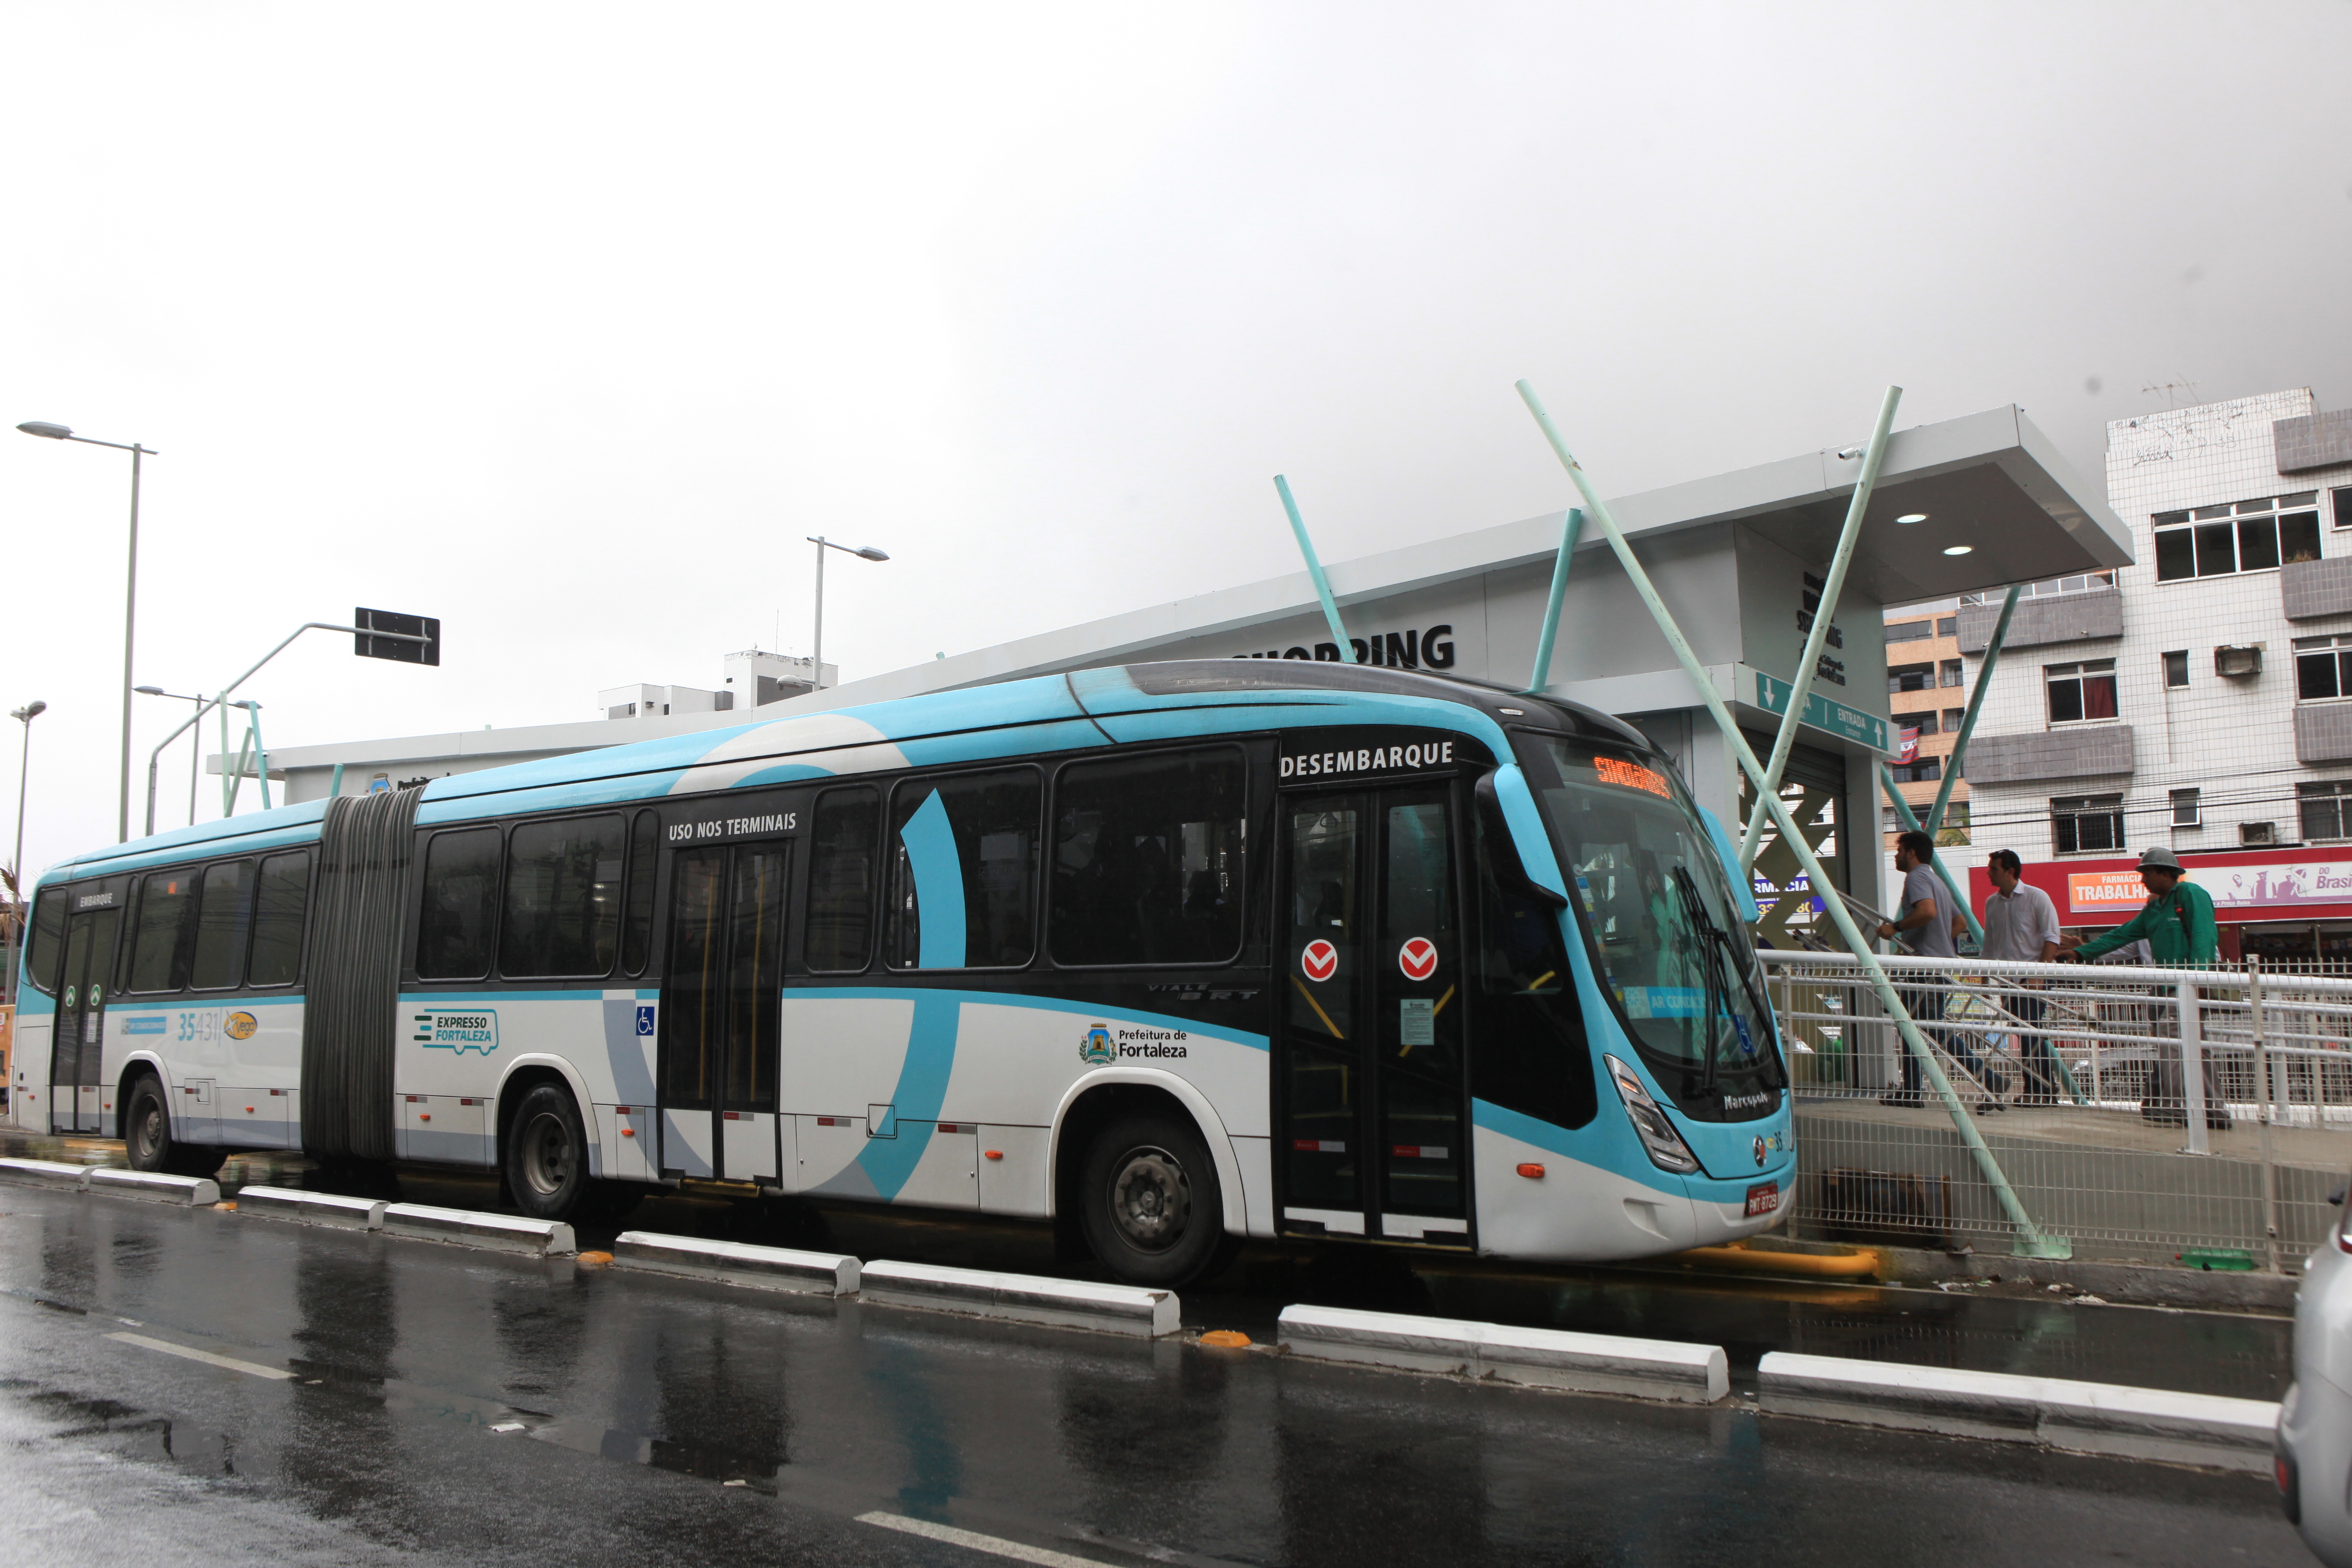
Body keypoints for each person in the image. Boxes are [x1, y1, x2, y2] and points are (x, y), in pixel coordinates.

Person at [2060, 846, 2225, 1128]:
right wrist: (2082, 953)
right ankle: (2211, 1111)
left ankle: (2182, 1108)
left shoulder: (2191, 895)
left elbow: (2204, 937)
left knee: (2174, 1046)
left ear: (2164, 873)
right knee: (2189, 1049)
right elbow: (2122, 935)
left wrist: (2194, 982)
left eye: (2146, 873)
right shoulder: (2155, 908)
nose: (2142, 880)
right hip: (2164, 990)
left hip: (2185, 988)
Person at [1874, 830, 1992, 1105]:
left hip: (1922, 966)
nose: (1896, 854)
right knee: (1913, 1026)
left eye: (1899, 849)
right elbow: (1960, 922)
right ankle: (1911, 1090)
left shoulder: (1916, 878)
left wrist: (1896, 928)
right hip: (1938, 963)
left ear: (1912, 853)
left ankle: (1988, 1078)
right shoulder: (1935, 879)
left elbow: (1927, 912)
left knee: (1930, 1027)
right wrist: (1941, 941)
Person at [1982, 849, 2064, 1103]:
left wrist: (2039, 974)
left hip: (2032, 979)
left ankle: (2039, 1090)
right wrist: (1985, 978)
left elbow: (2052, 937)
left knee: (2030, 1033)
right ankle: (2044, 1089)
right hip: (2008, 982)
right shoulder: (1991, 903)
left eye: (1994, 869)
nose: (1989, 873)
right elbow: (1990, 944)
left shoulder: (2037, 897)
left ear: (2010, 871)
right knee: (2024, 1032)